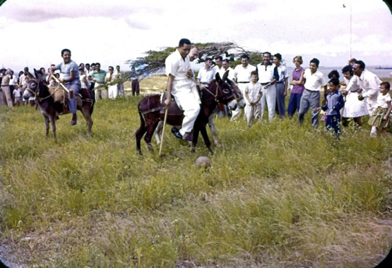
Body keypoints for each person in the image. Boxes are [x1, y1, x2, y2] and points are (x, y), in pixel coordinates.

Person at [164, 38, 201, 141]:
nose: (187, 52)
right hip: (179, 88)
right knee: (194, 108)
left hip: (189, 84)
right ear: (179, 47)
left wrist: (190, 75)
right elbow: (170, 79)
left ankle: (191, 127)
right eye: (185, 49)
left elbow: (189, 72)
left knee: (202, 101)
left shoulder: (186, 58)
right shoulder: (172, 59)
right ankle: (182, 131)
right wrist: (168, 97)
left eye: (189, 50)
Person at [51, 48, 81, 125]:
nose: (67, 56)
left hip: (74, 83)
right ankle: (56, 113)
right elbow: (52, 68)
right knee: (54, 93)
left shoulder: (73, 64)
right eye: (65, 55)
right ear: (62, 56)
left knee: (71, 94)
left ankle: (74, 115)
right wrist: (51, 73)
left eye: (69, 55)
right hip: (64, 83)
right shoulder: (61, 64)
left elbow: (72, 77)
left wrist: (63, 81)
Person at [355, 60, 381, 136]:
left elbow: (374, 89)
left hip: (378, 99)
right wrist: (361, 89)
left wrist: (363, 95)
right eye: (352, 68)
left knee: (375, 118)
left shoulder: (369, 76)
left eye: (355, 69)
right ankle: (377, 135)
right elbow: (366, 87)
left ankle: (373, 137)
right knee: (373, 117)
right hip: (370, 98)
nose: (353, 70)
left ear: (361, 69)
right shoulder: (359, 76)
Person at [298, 58, 325, 127]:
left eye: (313, 66)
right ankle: (300, 124)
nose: (311, 67)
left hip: (314, 94)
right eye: (310, 65)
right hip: (306, 92)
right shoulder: (306, 71)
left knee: (314, 112)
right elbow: (304, 79)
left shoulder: (320, 75)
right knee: (301, 111)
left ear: (317, 67)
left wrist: (325, 96)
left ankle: (314, 127)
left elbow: (324, 85)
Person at [231, 54, 256, 120]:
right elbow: (233, 77)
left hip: (248, 85)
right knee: (238, 101)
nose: (244, 62)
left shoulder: (252, 68)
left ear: (248, 60)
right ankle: (234, 118)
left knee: (248, 102)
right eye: (243, 60)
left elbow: (255, 78)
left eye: (245, 60)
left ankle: (247, 118)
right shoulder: (237, 67)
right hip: (239, 85)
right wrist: (235, 84)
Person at [257, 52, 276, 122]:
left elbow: (276, 77)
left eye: (267, 57)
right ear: (262, 58)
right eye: (265, 57)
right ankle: (259, 121)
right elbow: (256, 77)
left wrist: (269, 84)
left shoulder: (273, 66)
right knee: (260, 105)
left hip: (270, 87)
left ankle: (271, 121)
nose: (266, 58)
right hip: (261, 87)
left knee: (271, 105)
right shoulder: (258, 66)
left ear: (270, 58)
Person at [272, 53, 289, 119]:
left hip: (280, 84)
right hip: (273, 84)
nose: (274, 60)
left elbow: (286, 80)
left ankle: (282, 116)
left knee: (280, 101)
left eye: (275, 59)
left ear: (279, 60)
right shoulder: (272, 67)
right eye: (273, 59)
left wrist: (285, 90)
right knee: (274, 101)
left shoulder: (283, 68)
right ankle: (275, 115)